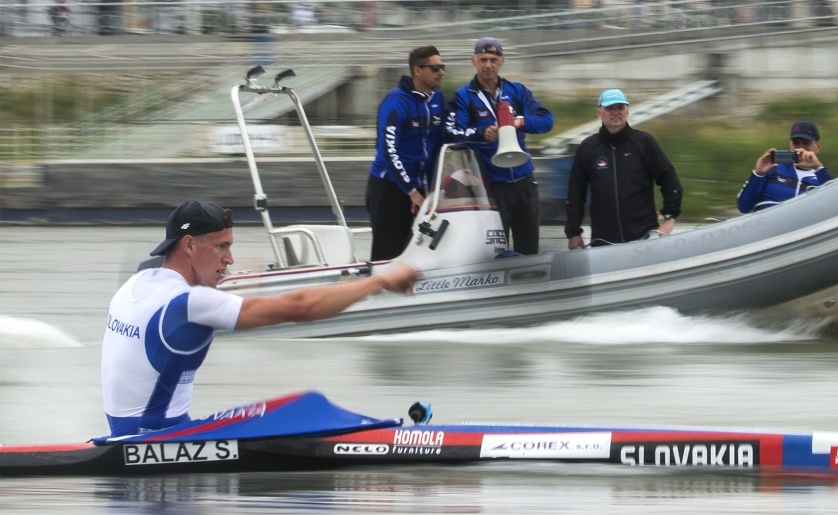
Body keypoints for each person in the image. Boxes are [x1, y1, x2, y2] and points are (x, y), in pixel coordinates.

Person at [101, 200, 418, 436]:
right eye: (221, 247)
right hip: (156, 441)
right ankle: (388, 435)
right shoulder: (191, 302)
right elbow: (300, 308)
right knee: (306, 407)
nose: (230, 259)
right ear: (188, 245)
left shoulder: (140, 282)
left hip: (135, 436)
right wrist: (379, 281)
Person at [445, 37, 554, 255]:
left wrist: (521, 123)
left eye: (493, 59)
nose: (488, 65)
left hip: (524, 181)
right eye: (483, 59)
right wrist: (481, 133)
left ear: (502, 61)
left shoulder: (517, 91)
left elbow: (547, 120)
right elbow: (451, 134)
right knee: (495, 252)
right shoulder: (464, 96)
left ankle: (528, 286)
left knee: (529, 249)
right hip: (491, 187)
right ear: (473, 60)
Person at [565, 89, 683, 249]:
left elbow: (670, 181)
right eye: (610, 108)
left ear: (627, 111)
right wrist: (573, 232)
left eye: (620, 108)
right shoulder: (588, 148)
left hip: (644, 237)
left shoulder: (644, 143)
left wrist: (669, 219)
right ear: (599, 112)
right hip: (603, 240)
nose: (615, 112)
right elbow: (575, 193)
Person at [365, 45, 446, 261]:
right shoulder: (396, 102)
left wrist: (431, 189)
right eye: (435, 68)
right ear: (418, 70)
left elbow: (439, 146)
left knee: (414, 253)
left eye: (442, 67)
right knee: (387, 256)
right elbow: (388, 152)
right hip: (389, 188)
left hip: (417, 187)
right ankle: (379, 289)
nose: (441, 72)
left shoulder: (438, 100)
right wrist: (412, 191)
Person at [736, 120, 832, 213]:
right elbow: (743, 207)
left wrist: (818, 167)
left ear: (818, 146)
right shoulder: (772, 167)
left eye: (806, 143)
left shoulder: (822, 175)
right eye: (796, 143)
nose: (801, 148)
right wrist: (758, 174)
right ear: (790, 144)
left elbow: (834, 203)